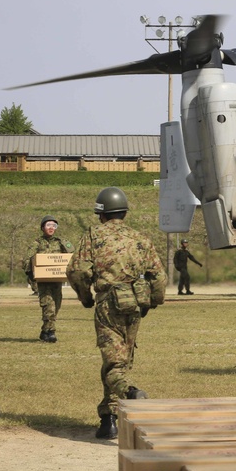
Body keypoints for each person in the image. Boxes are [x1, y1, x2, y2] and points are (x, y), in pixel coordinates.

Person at [66, 187, 166, 439]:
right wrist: (151, 302)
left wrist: (86, 297)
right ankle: (108, 419)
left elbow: (77, 271)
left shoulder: (93, 235)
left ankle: (131, 394)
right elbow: (159, 277)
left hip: (108, 304)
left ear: (101, 213)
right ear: (124, 212)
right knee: (120, 360)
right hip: (134, 305)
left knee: (113, 365)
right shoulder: (140, 238)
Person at [23, 215, 73, 343]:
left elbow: (72, 254)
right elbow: (27, 260)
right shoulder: (37, 243)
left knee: (56, 305)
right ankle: (51, 332)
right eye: (48, 225)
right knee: (48, 305)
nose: (51, 228)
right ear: (42, 228)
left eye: (54, 225)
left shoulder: (60, 241)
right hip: (43, 281)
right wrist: (31, 274)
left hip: (57, 280)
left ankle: (45, 331)